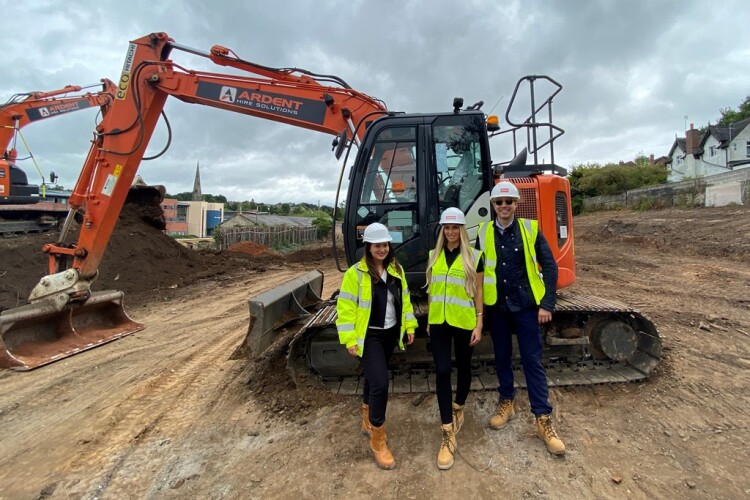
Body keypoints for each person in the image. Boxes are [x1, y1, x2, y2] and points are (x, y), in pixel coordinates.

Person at [476, 181, 566, 456]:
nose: (504, 206)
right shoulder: (483, 232)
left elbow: (549, 266)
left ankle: (543, 419)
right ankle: (507, 402)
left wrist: (547, 303)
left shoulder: (530, 229)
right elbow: (477, 271)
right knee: (502, 357)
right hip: (498, 308)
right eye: (499, 202)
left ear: (516, 204)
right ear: (493, 206)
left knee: (532, 361)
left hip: (527, 306)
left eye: (509, 202)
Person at [336, 222, 418, 470]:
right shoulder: (355, 274)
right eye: (376, 246)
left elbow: (404, 300)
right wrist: (350, 339)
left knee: (373, 380)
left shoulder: (396, 269)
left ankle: (366, 418)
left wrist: (410, 325)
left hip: (390, 334)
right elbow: (346, 308)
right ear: (368, 247)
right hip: (369, 336)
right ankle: (378, 439)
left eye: (384, 245)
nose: (381, 249)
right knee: (381, 383)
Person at [425, 207, 484, 470]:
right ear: (442, 230)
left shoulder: (474, 257)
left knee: (463, 366)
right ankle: (447, 430)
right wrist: (428, 319)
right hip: (438, 322)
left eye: (454, 228)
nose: (450, 232)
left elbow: (478, 293)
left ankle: (459, 406)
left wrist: (479, 322)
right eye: (446, 228)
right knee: (442, 370)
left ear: (461, 230)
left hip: (463, 321)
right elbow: (432, 290)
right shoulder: (433, 256)